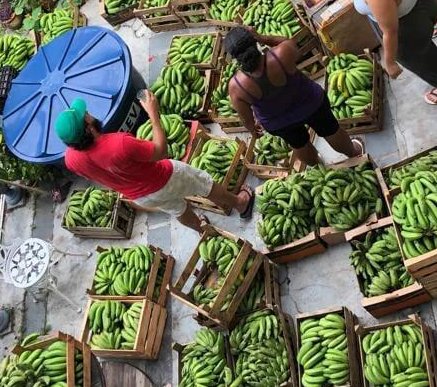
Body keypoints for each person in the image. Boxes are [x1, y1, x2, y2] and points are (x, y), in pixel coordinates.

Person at [55, 94, 254, 232]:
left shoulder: (71, 159)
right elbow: (161, 151)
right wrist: (153, 114)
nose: (89, 113)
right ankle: (240, 204)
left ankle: (202, 229)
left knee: (178, 209)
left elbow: (95, 173)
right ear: (88, 128)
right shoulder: (119, 143)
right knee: (204, 183)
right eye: (86, 115)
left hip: (140, 196)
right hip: (165, 177)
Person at [224, 26, 363, 165]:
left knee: (298, 143)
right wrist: (263, 38)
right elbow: (290, 44)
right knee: (330, 130)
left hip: (279, 122)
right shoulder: (281, 54)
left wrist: (253, 131)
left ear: (235, 57)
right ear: (254, 42)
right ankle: (353, 153)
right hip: (309, 102)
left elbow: (246, 119)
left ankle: (316, 164)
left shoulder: (236, 86)